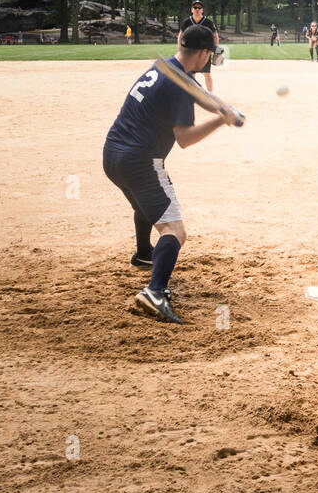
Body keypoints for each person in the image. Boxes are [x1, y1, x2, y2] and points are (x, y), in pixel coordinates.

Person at [102, 24, 240, 324]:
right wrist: (221, 120)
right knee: (175, 231)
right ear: (203, 53)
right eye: (211, 54)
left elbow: (198, 91)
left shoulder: (167, 67)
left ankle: (143, 254)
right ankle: (155, 291)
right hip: (140, 162)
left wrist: (222, 106)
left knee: (147, 202)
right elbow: (185, 138)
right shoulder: (178, 86)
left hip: (113, 156)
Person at [178, 0, 219, 91]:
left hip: (204, 51)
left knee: (207, 73)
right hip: (190, 52)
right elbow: (180, 35)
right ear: (192, 9)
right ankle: (192, 93)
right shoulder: (187, 22)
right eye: (195, 7)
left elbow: (215, 36)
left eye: (199, 8)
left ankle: (210, 95)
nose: (197, 9)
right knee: (191, 74)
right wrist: (180, 49)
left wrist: (216, 50)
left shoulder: (208, 22)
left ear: (202, 10)